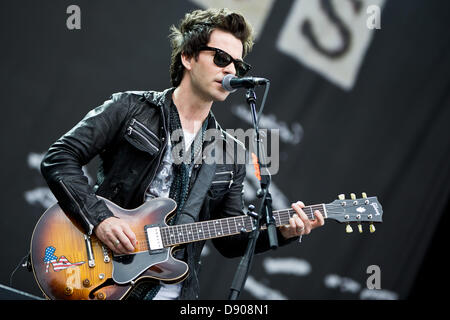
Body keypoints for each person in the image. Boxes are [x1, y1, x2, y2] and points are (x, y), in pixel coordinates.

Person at [40, 8, 325, 300]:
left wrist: (285, 232)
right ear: (188, 57)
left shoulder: (230, 153)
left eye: (237, 65)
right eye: (221, 58)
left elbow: (231, 242)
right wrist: (101, 220)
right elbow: (59, 159)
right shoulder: (130, 109)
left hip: (172, 292)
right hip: (103, 274)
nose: (230, 70)